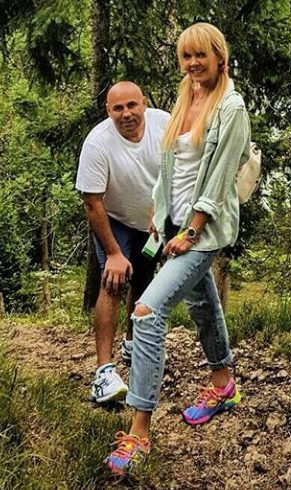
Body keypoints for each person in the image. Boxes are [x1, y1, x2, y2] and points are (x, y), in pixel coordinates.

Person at [105, 23, 251, 475]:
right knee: (202, 302)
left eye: (200, 55)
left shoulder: (231, 107)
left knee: (147, 313)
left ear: (219, 57)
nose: (192, 64)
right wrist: (160, 208)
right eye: (186, 56)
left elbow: (220, 178)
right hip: (173, 224)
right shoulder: (187, 95)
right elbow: (173, 166)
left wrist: (192, 229)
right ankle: (223, 384)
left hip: (202, 231)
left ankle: (139, 432)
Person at [76, 82, 169, 403]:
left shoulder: (164, 124)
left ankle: (132, 344)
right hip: (114, 218)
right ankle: (103, 373)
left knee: (144, 280)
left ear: (143, 104)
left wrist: (166, 212)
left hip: (153, 221)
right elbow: (92, 201)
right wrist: (114, 253)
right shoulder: (98, 143)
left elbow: (183, 169)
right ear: (109, 111)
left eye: (132, 105)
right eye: (118, 108)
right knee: (113, 281)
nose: (126, 114)